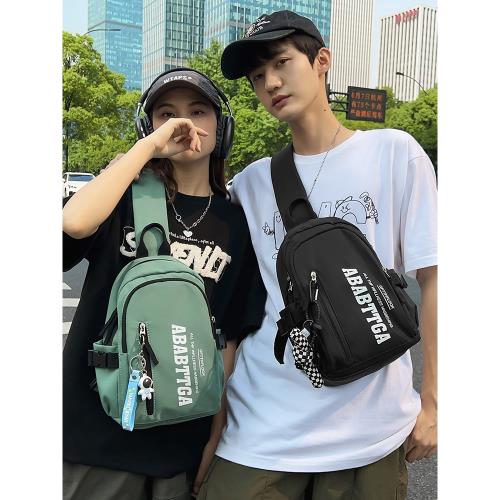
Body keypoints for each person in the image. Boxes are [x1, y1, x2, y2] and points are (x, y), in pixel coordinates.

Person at [198, 10, 437, 500]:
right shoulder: (250, 184)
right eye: (257, 76)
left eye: (281, 62)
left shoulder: (395, 153)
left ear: (322, 60)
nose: (270, 82)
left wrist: (434, 402)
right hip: (261, 430)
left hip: (369, 432)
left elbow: (434, 283)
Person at [62, 68, 266, 500]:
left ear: (222, 128)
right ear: (148, 126)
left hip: (180, 439)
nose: (184, 122)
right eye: (166, 114)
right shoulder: (123, 196)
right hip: (95, 437)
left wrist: (215, 435)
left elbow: (226, 342)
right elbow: (74, 223)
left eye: (199, 111)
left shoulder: (236, 224)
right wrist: (146, 150)